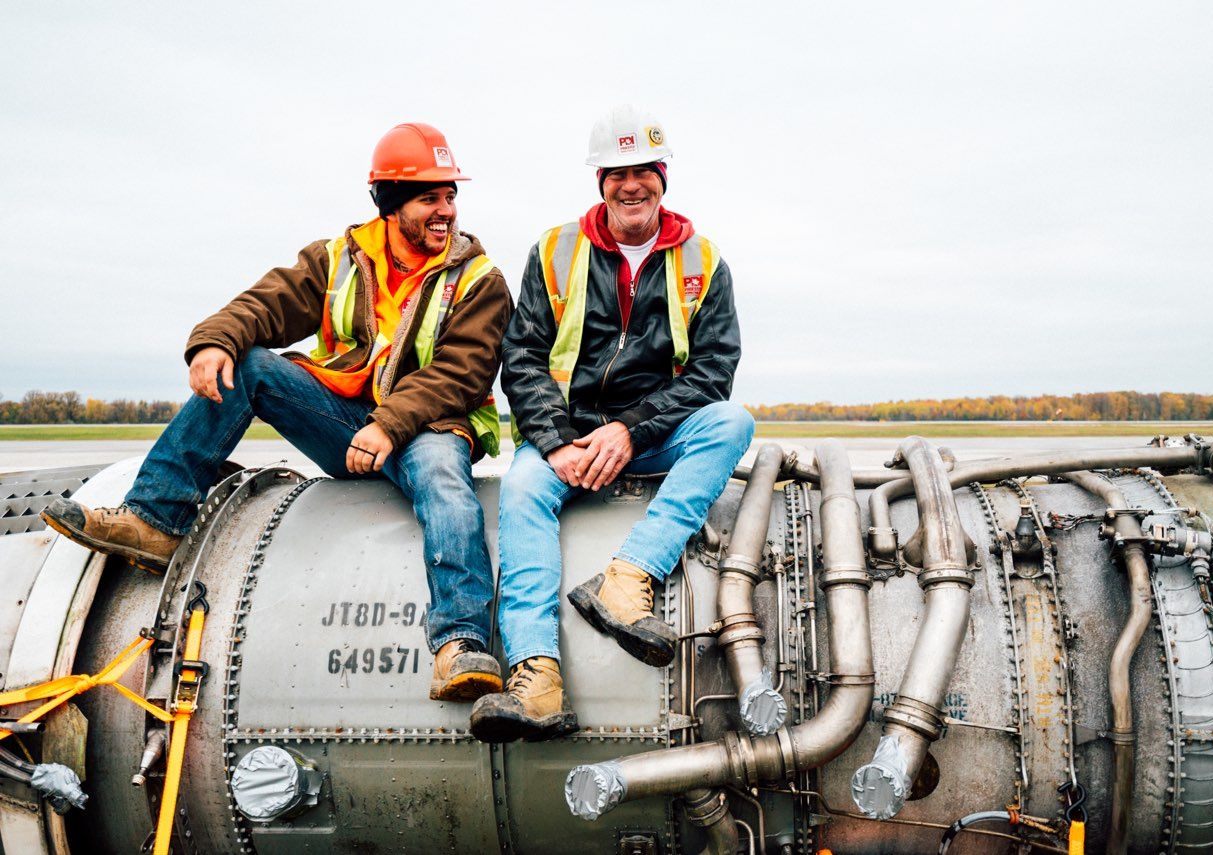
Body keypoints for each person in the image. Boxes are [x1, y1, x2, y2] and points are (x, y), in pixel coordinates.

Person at [41, 123, 512, 704]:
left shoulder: (480, 280)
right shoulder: (339, 259)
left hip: (428, 427)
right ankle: (157, 519)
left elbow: (461, 373)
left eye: (450, 195)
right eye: (429, 198)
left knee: (444, 480)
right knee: (251, 364)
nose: (446, 211)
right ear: (391, 205)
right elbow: (265, 304)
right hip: (347, 422)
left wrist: (389, 425)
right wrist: (215, 342)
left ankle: (460, 644)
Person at [469, 106, 754, 742]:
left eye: (643, 171)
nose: (631, 185)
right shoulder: (555, 251)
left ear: (662, 177)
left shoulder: (704, 262)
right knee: (522, 489)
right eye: (617, 173)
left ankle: (628, 578)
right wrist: (555, 442)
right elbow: (522, 356)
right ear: (600, 181)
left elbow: (713, 372)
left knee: (731, 422)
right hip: (567, 435)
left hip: (650, 434)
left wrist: (631, 429)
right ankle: (535, 678)